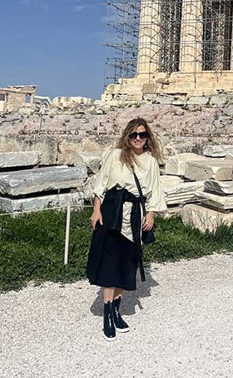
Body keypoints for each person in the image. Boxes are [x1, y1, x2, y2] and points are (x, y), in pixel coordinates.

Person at [86, 117, 166, 342]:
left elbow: (154, 190)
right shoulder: (115, 155)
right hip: (113, 212)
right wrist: (96, 210)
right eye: (134, 135)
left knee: (126, 265)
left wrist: (150, 213)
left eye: (142, 135)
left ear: (147, 137)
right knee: (110, 265)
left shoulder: (150, 162)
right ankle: (107, 315)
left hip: (135, 215)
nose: (138, 138)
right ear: (127, 136)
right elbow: (101, 184)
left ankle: (116, 311)